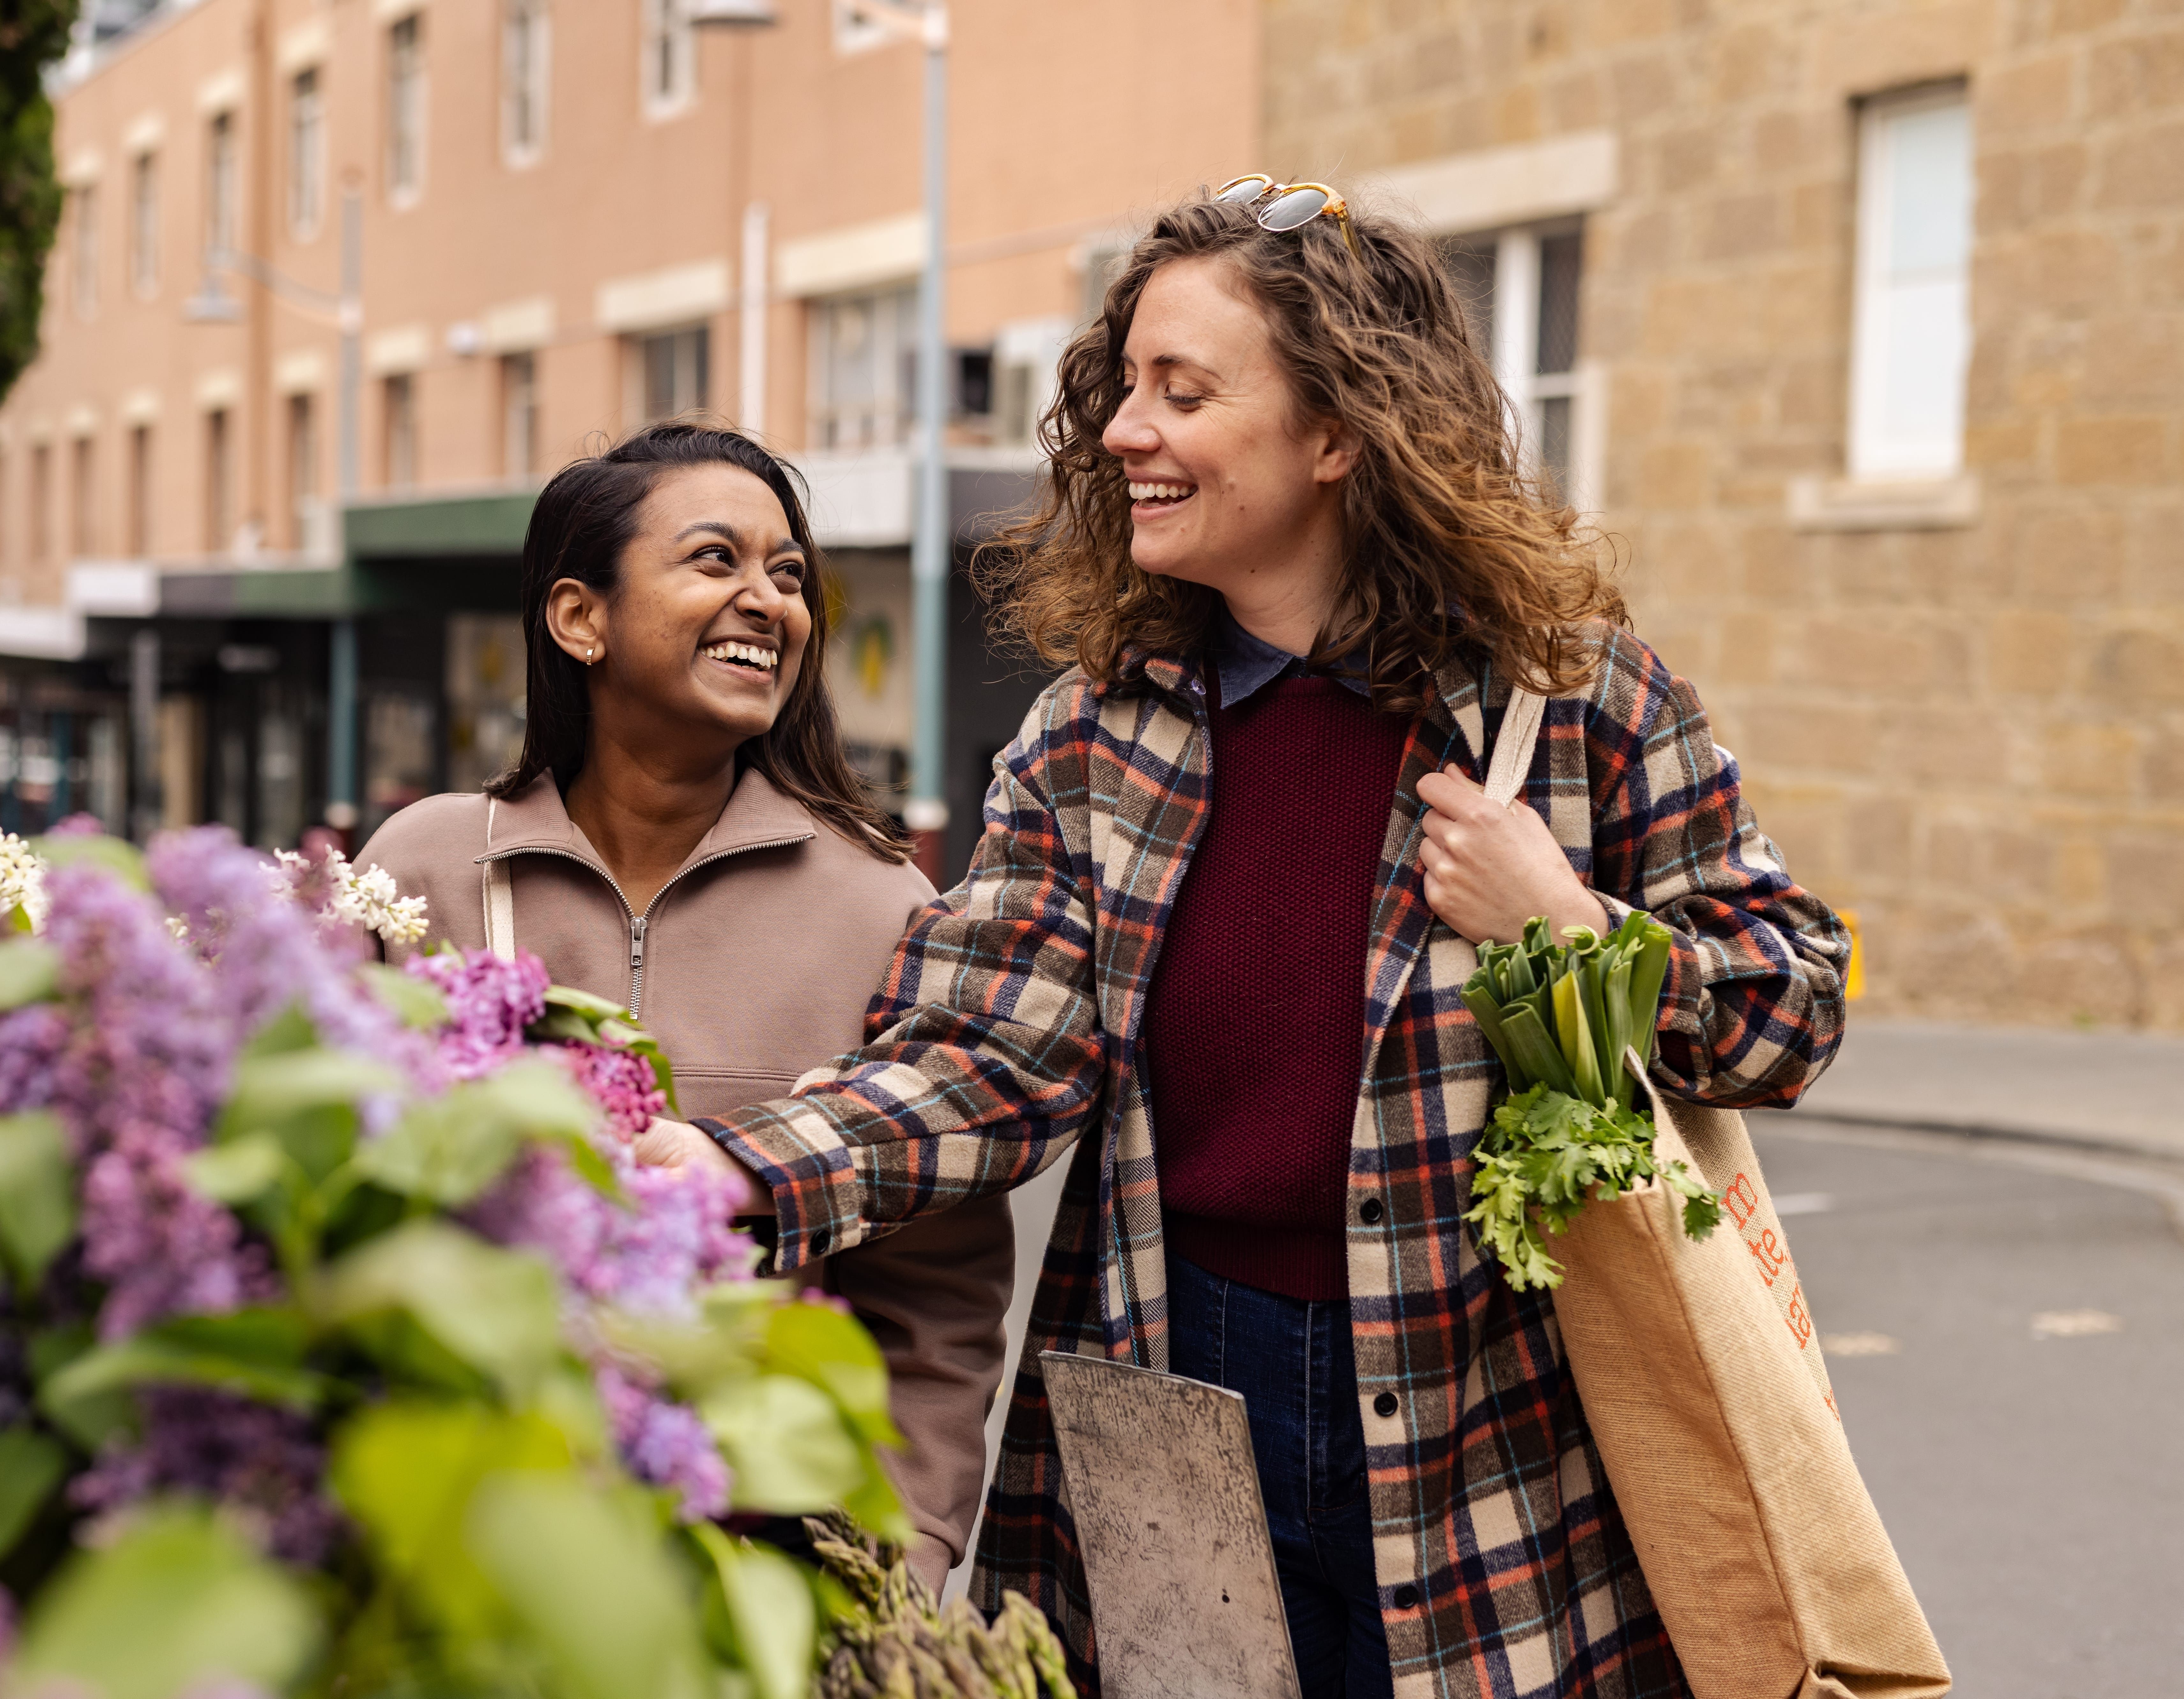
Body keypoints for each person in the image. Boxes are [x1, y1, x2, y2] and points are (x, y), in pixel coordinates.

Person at [634, 181, 1850, 1698]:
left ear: (1339, 432)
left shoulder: (1577, 703)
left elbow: (1790, 1005)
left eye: (1182, 391)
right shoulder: (1092, 736)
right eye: (1124, 388)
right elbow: (985, 1055)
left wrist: (1574, 924)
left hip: (1513, 1411)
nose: (1122, 433)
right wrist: (742, 1168)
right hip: (1180, 1386)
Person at [350, 423, 1015, 1597]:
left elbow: (934, 1302)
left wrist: (888, 1571)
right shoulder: (425, 868)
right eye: (716, 561)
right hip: (443, 1551)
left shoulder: (883, 904)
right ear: (580, 618)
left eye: (791, 575)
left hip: (744, 1577)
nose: (768, 602)